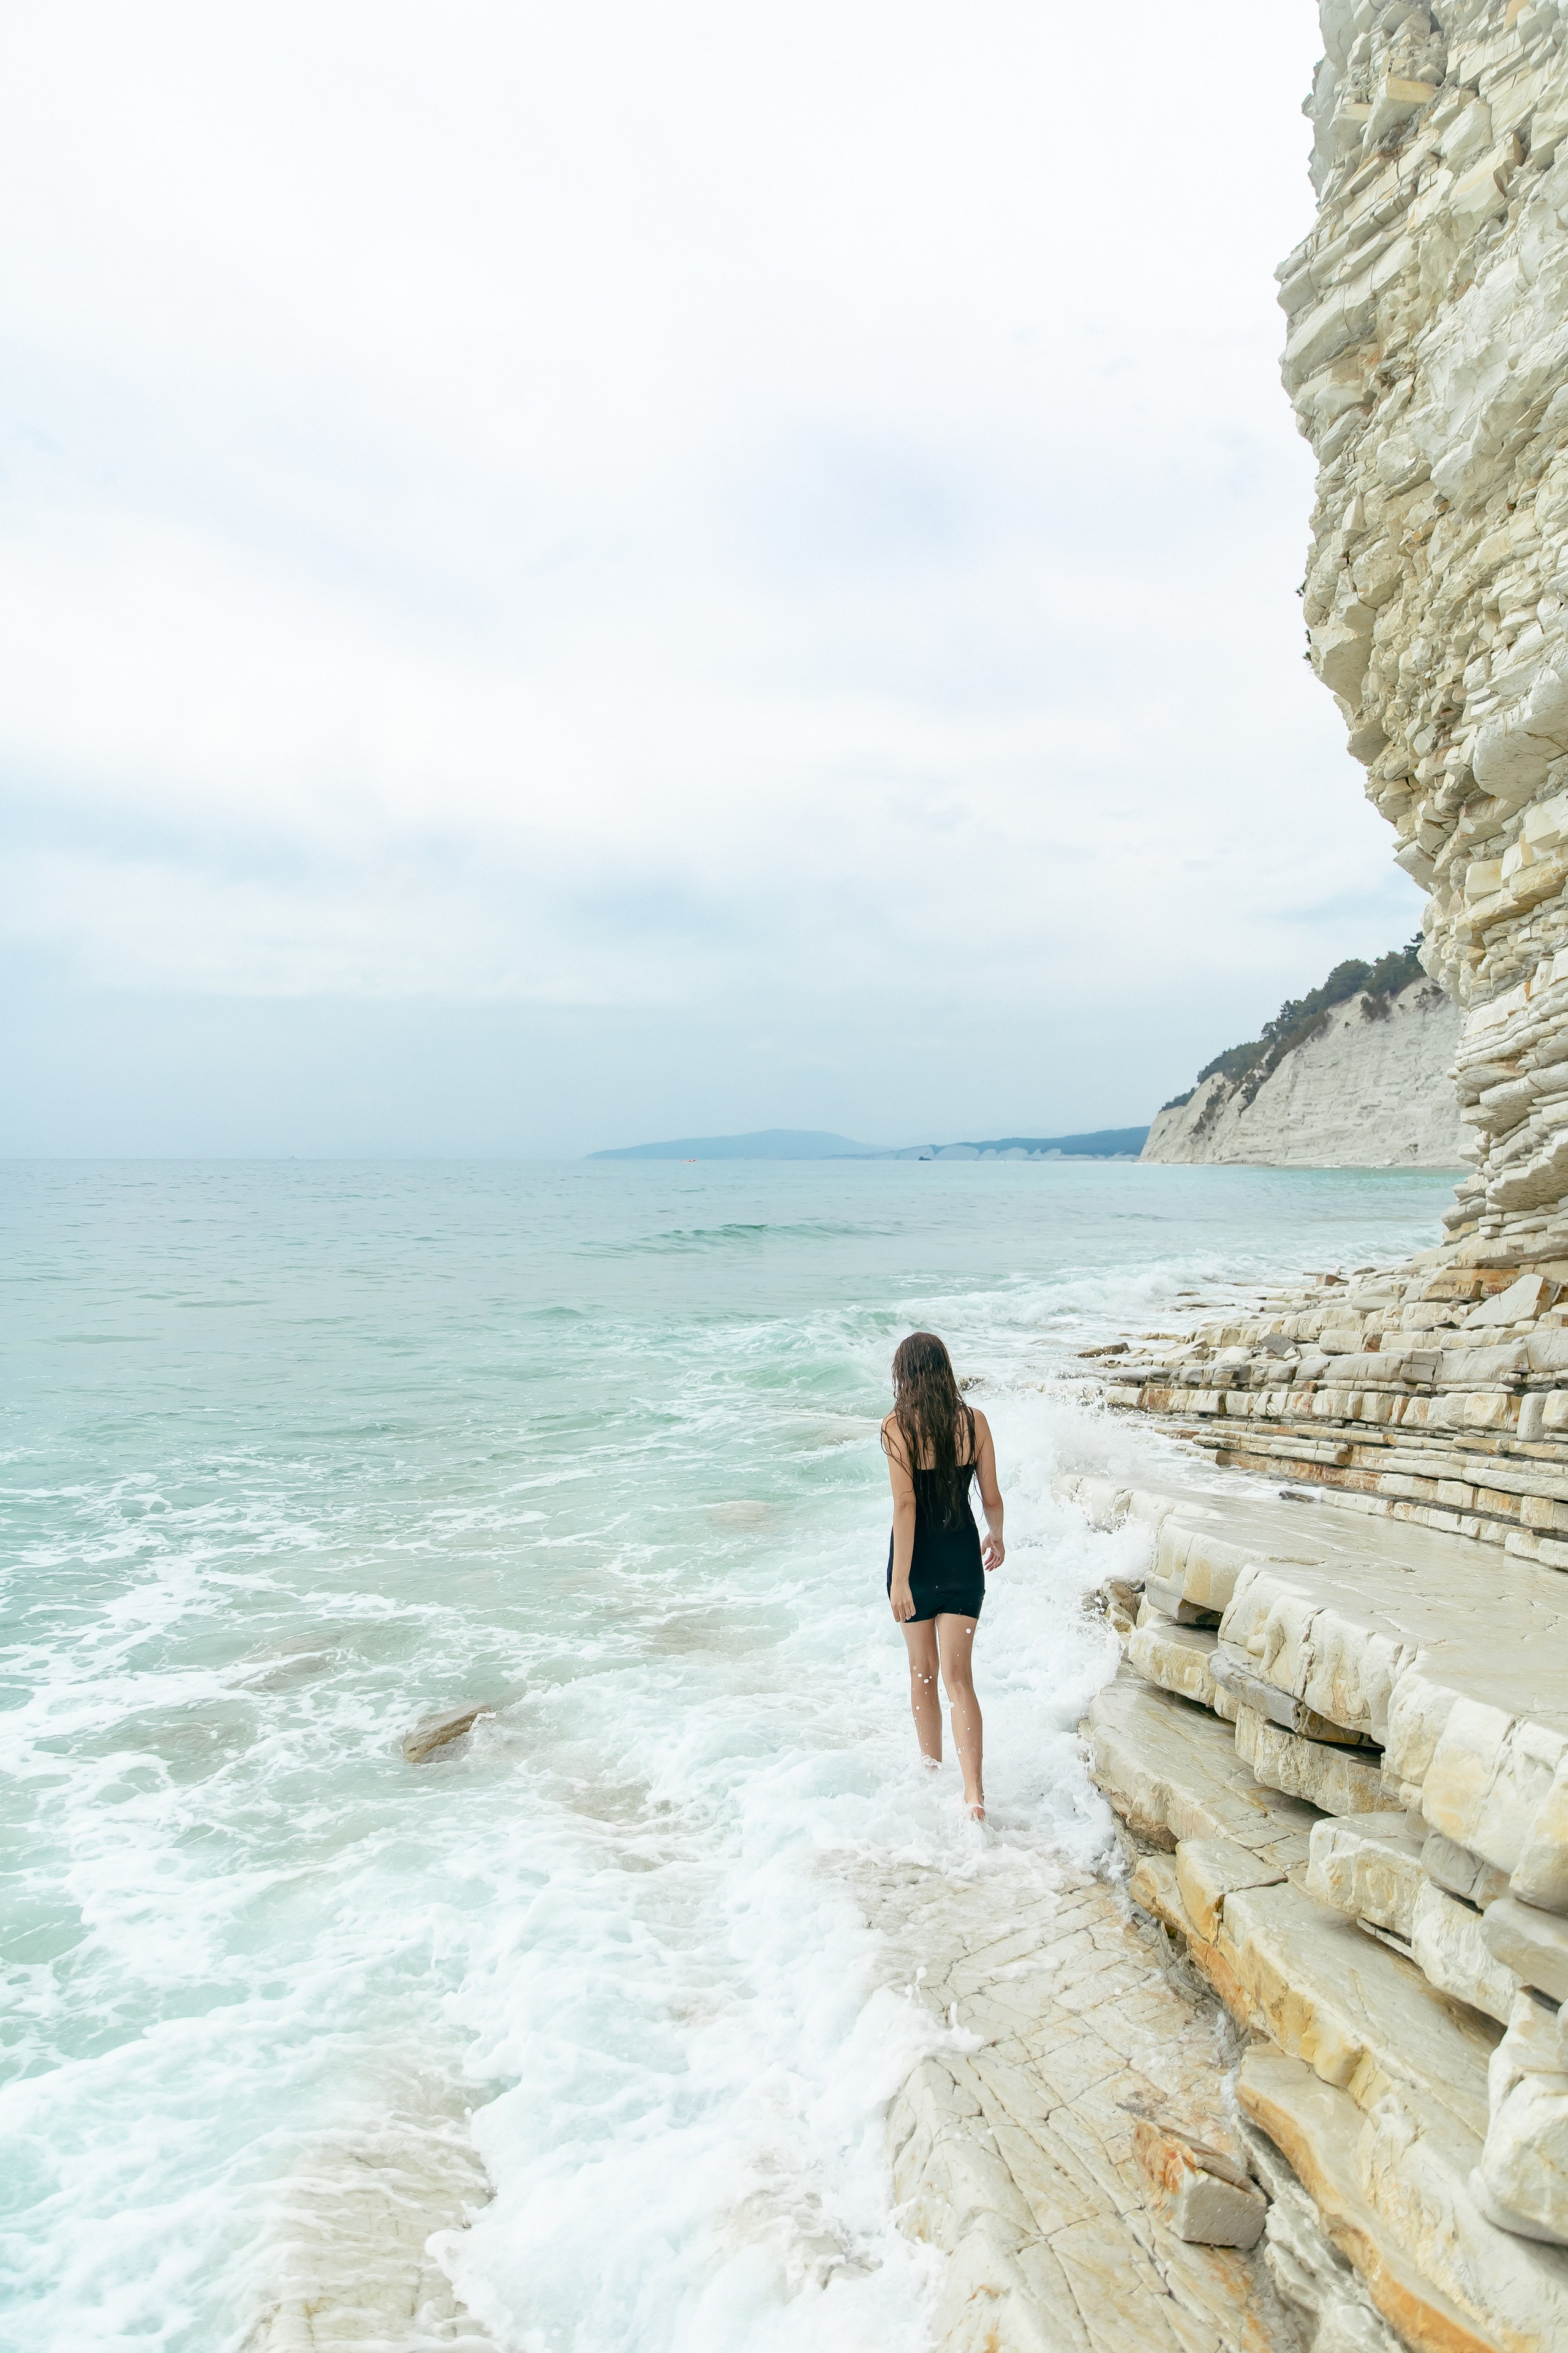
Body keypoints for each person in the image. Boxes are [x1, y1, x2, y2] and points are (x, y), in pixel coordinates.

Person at [881, 1331, 1004, 1819]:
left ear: (905, 1375)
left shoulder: (896, 1427)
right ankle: (973, 1792)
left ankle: (931, 1772)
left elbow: (906, 1504)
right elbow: (991, 1495)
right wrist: (995, 1534)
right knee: (960, 1680)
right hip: (962, 1562)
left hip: (917, 1564)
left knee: (922, 1674)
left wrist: (900, 1579)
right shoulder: (974, 1423)